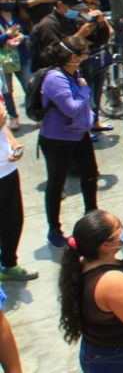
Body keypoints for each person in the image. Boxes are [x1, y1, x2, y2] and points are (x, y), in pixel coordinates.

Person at [58, 210, 123, 372]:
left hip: (97, 353)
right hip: (120, 360)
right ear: (106, 245)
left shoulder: (81, 265)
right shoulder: (113, 282)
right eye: (118, 226)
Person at [39, 36, 98, 249]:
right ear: (72, 57)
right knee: (56, 183)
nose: (86, 58)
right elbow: (71, 107)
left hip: (79, 134)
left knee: (90, 174)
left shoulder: (74, 73)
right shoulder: (56, 79)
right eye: (83, 54)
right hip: (57, 140)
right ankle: (54, 228)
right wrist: (84, 90)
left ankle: (92, 217)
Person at [0, 105, 35, 282]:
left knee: (14, 220)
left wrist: (15, 145)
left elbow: (4, 127)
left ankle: (8, 264)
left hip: (8, 170)